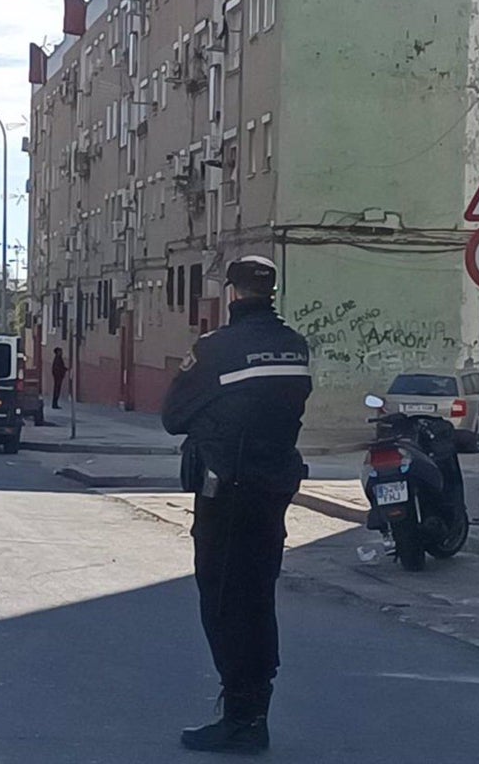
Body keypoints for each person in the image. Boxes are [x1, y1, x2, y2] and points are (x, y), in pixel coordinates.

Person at [161, 255, 312, 755]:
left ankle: (241, 720)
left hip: (226, 491)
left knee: (224, 602)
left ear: (232, 293)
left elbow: (173, 415)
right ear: (271, 292)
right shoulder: (295, 347)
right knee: (259, 598)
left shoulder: (216, 349)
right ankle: (255, 713)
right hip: (274, 491)